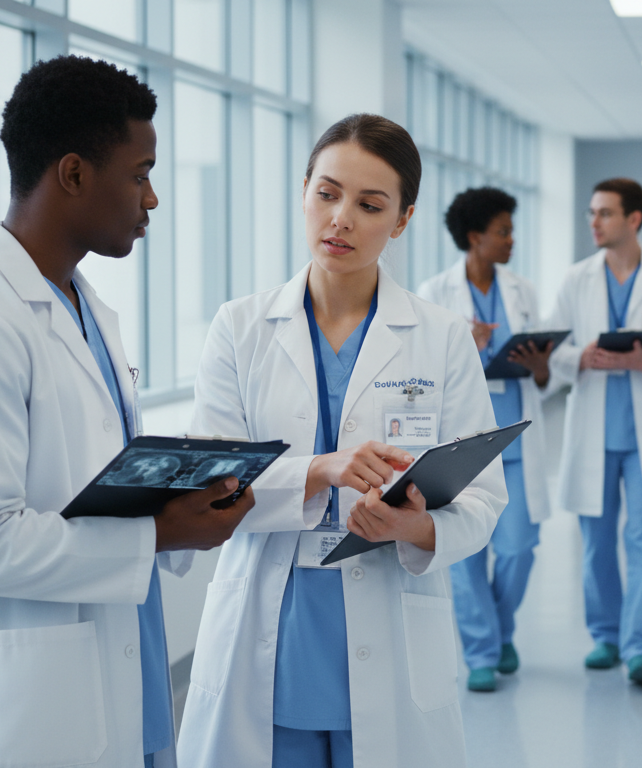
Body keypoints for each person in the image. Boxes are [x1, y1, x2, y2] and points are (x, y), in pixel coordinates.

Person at [0, 56, 255, 768]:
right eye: (141, 173)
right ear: (73, 174)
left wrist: (182, 490)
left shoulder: (83, 305)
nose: (150, 198)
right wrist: (157, 533)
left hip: (116, 669)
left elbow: (86, 476)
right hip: (24, 710)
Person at [176, 114, 507, 768]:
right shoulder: (240, 328)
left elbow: (483, 501)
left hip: (390, 620)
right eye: (327, 194)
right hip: (272, 624)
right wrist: (321, 470)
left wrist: (413, 528)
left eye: (369, 204)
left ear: (403, 219)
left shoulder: (440, 336)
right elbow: (207, 480)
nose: (342, 219)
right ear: (303, 191)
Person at [545, 178, 642, 683]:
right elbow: (552, 348)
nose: (594, 222)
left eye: (605, 213)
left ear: (634, 220)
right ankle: (606, 636)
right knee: (595, 544)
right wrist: (580, 356)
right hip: (594, 427)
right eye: (592, 212)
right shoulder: (576, 279)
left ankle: (639, 646)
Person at [416, 186, 555, 692]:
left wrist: (542, 367)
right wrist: (463, 348)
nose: (511, 240)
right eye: (503, 231)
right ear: (475, 237)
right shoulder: (433, 294)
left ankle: (498, 631)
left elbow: (545, 371)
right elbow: (422, 376)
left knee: (520, 547)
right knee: (467, 551)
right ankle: (482, 651)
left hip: (515, 434)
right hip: (467, 443)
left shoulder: (523, 291)